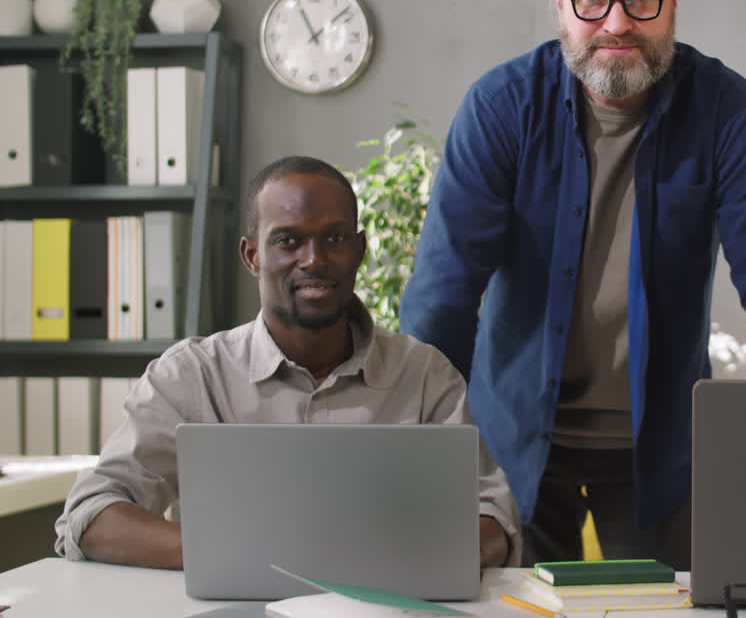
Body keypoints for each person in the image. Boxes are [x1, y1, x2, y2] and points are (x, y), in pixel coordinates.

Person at [399, 0, 746, 568]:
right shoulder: (502, 108)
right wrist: (426, 454)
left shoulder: (726, 111)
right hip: (512, 440)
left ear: (673, 2)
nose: (617, 22)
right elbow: (443, 297)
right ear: (558, 4)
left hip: (660, 449)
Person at [54, 156, 520, 570]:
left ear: (358, 250)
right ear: (252, 255)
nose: (314, 260)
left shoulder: (423, 374)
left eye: (334, 238)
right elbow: (91, 515)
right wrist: (241, 554)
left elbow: (493, 518)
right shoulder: (191, 375)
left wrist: (387, 558)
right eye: (288, 241)